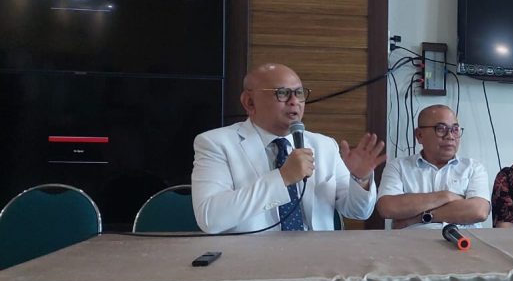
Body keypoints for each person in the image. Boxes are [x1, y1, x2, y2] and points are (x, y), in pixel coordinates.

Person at [191, 63, 386, 233]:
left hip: (316, 264)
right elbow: (210, 219)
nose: (294, 101)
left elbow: (358, 212)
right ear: (249, 102)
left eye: (299, 93)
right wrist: (283, 177)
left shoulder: (324, 145)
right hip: (250, 263)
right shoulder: (216, 144)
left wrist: (360, 179)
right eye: (282, 93)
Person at [376, 105, 490, 229]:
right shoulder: (399, 166)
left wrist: (419, 217)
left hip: (464, 243)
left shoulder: (473, 168)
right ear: (419, 135)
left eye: (455, 129)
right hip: (411, 243)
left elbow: (479, 211)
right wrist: (447, 196)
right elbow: (388, 207)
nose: (450, 136)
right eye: (441, 129)